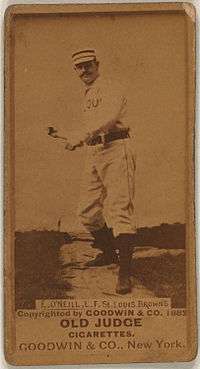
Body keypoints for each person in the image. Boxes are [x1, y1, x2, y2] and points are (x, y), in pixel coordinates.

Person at [51, 49, 136, 294]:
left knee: (120, 209)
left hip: (117, 148)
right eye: (79, 67)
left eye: (88, 65)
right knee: (86, 211)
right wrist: (64, 134)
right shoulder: (88, 93)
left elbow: (109, 119)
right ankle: (109, 252)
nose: (84, 71)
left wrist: (82, 136)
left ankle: (125, 274)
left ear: (97, 64)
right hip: (95, 151)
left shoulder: (110, 86)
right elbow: (90, 127)